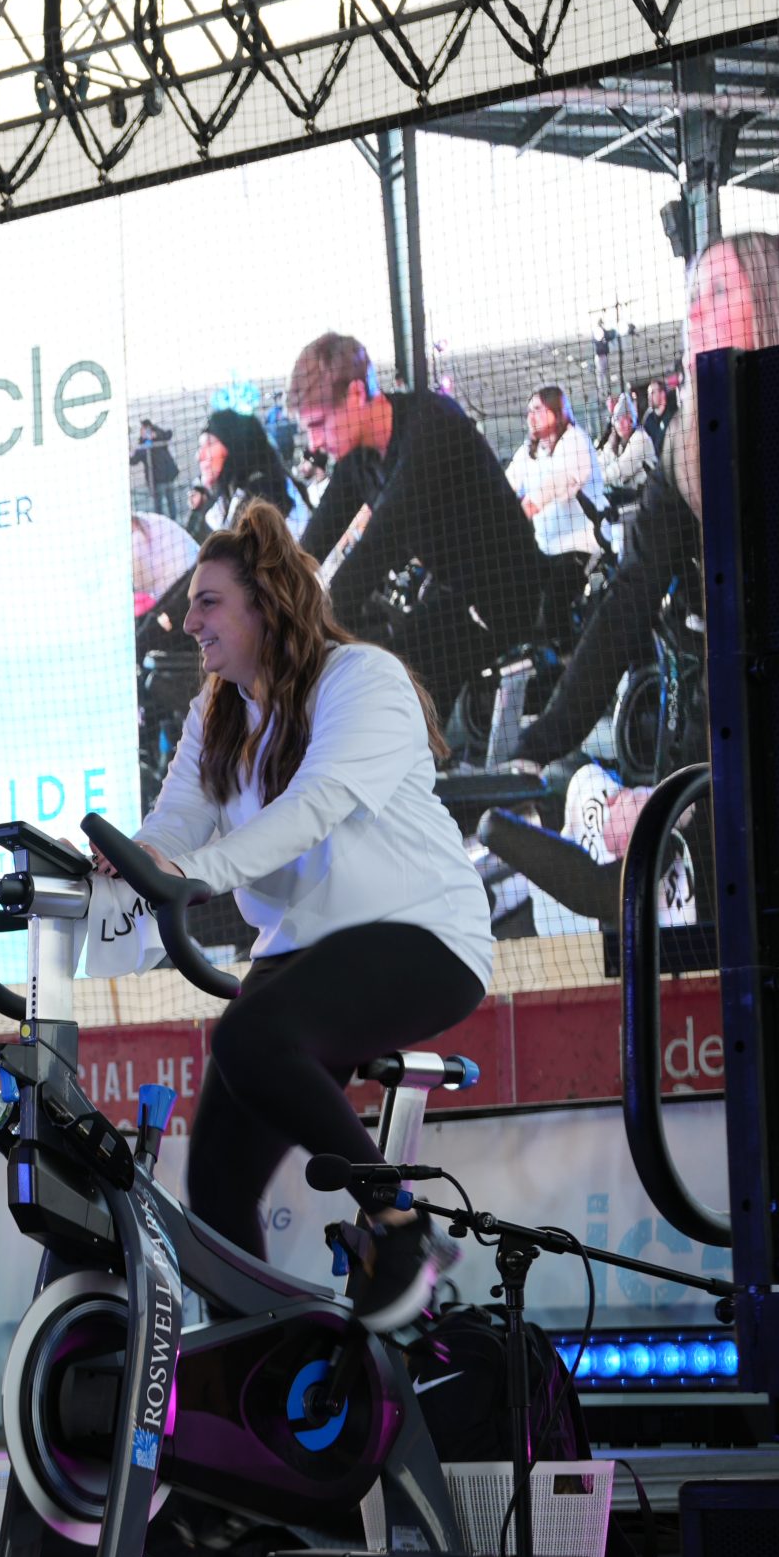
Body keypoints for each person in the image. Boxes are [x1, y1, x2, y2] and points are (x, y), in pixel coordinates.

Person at [120, 504, 491, 1331]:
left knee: (250, 1036)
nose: (189, 621)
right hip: (304, 948)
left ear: (265, 604)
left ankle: (399, 1223)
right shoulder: (216, 710)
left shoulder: (360, 679)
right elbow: (177, 821)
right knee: (216, 1183)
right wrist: (131, 861)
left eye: (208, 602)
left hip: (423, 932)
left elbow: (315, 806)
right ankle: (250, 1360)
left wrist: (194, 875)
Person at [508, 232, 779, 774]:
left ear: (776, 302)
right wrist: (540, 743)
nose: (694, 313)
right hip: (729, 741)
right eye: (693, 297)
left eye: (719, 291)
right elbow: (630, 598)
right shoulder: (689, 446)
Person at [290, 332, 554, 720]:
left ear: (356, 394)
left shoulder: (430, 423)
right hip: (456, 595)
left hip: (506, 594)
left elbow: (381, 540)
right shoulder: (359, 459)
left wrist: (310, 627)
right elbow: (310, 545)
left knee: (391, 685)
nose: (314, 443)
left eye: (318, 424)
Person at [504, 385, 606, 564]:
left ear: (556, 411)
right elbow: (507, 481)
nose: (531, 417)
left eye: (537, 410)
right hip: (547, 548)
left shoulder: (575, 439)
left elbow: (557, 482)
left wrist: (524, 509)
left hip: (581, 546)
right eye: (529, 412)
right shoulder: (530, 449)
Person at [184, 408, 302, 545]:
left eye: (209, 444)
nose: (199, 456)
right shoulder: (232, 494)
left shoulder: (261, 496)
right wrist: (200, 507)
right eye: (200, 447)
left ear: (234, 447)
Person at [599, 392, 655, 508]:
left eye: (623, 418)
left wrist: (598, 478)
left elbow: (623, 469)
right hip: (628, 493)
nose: (620, 423)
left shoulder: (640, 438)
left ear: (631, 420)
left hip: (646, 495)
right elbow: (603, 458)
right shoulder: (616, 440)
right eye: (617, 419)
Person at [131, 419, 180, 518]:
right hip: (158, 480)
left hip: (167, 477)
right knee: (159, 506)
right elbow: (134, 460)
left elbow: (168, 433)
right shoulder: (145, 444)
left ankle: (172, 522)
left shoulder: (158, 437)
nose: (142, 432)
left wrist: (155, 434)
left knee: (169, 504)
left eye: (143, 429)